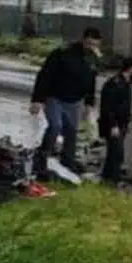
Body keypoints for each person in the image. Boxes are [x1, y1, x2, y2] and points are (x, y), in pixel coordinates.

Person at [29, 27, 101, 177]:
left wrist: (89, 103)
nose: (91, 47)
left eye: (94, 45)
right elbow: (45, 75)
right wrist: (37, 100)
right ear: (82, 40)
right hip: (55, 97)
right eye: (88, 44)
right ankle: (41, 159)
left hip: (75, 101)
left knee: (71, 132)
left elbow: (91, 81)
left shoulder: (93, 58)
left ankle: (67, 162)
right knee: (55, 126)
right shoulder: (63, 53)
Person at [98, 57, 132, 186]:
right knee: (116, 152)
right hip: (113, 123)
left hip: (122, 122)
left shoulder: (127, 82)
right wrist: (113, 125)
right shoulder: (115, 83)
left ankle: (108, 176)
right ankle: (113, 179)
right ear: (131, 69)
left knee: (114, 151)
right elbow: (108, 107)